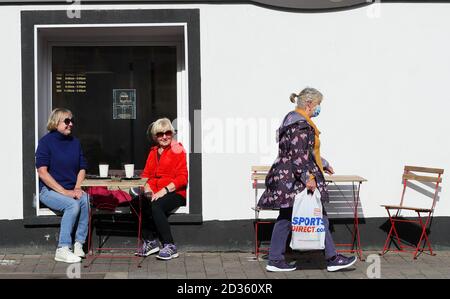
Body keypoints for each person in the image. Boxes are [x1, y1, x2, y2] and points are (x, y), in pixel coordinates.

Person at [257, 87, 357, 272]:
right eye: (318, 104)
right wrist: (308, 178)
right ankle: (330, 258)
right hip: (293, 179)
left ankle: (277, 259)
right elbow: (297, 155)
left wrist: (323, 163)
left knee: (289, 217)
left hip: (288, 176)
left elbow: (305, 151)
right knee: (308, 216)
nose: (319, 108)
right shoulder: (300, 124)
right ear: (310, 104)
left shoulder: (294, 119)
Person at [35, 108, 89, 263]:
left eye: (72, 121)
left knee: (85, 200)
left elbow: (82, 168)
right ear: (55, 122)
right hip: (49, 190)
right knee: (72, 205)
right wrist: (65, 192)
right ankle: (63, 248)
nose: (70, 124)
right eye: (67, 121)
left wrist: (77, 188)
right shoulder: (46, 142)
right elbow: (42, 172)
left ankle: (79, 244)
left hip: (71, 189)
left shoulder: (75, 142)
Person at [135, 118, 188, 260]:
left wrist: (164, 190)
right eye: (160, 134)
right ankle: (151, 242)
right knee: (139, 201)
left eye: (168, 132)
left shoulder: (178, 150)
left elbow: (183, 178)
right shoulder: (153, 152)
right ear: (155, 136)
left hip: (174, 192)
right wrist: (147, 189)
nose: (164, 137)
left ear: (172, 133)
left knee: (156, 206)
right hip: (155, 192)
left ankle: (170, 245)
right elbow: (145, 176)